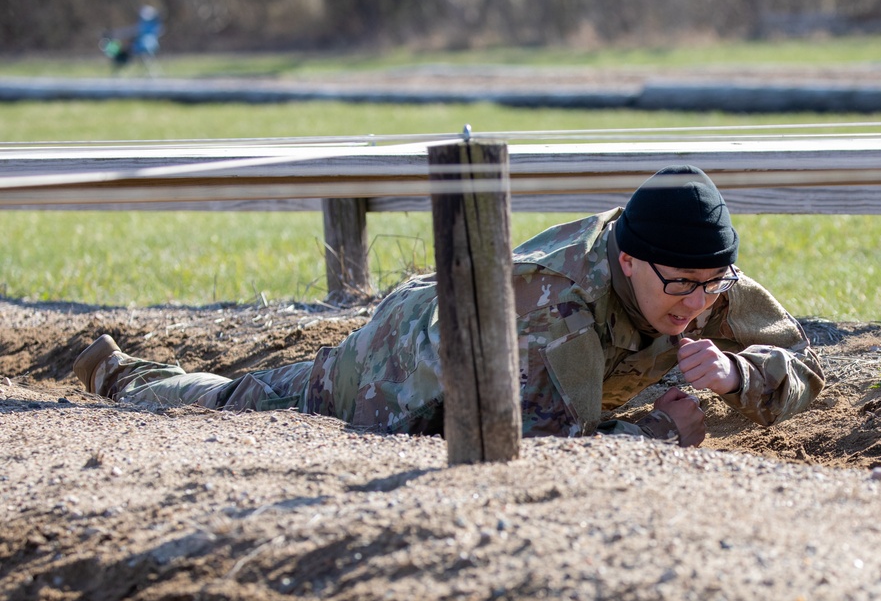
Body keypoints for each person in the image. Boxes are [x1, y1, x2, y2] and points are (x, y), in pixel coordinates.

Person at [73, 166, 825, 447]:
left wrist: (738, 374)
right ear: (628, 260)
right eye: (681, 286)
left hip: (490, 340)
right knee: (247, 402)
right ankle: (123, 374)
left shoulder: (692, 266)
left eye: (712, 285)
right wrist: (661, 430)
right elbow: (533, 446)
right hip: (411, 358)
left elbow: (805, 366)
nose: (697, 303)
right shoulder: (551, 310)